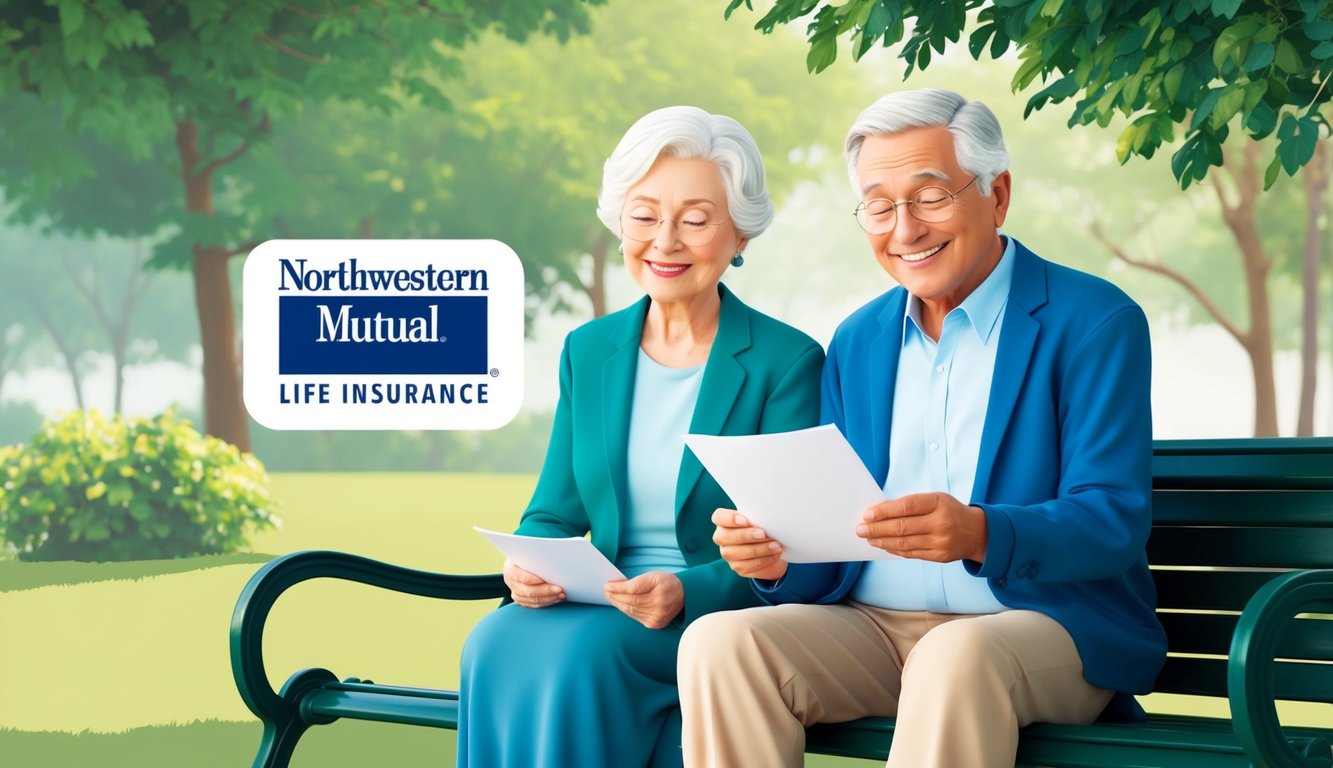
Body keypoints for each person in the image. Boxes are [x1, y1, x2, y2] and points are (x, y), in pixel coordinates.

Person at [676, 88, 1167, 768]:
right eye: (879, 205)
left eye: (929, 196)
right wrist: (778, 558)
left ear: (996, 195)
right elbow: (836, 533)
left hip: (1045, 628)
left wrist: (978, 533)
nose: (903, 229)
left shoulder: (1093, 322)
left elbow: (1112, 518)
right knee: (720, 643)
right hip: (872, 627)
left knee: (953, 654)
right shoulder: (858, 340)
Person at [457, 106, 824, 768]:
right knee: (493, 639)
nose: (665, 241)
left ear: (739, 234)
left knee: (583, 656)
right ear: (619, 223)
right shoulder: (589, 350)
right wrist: (531, 562)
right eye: (645, 215)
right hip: (602, 596)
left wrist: (689, 590)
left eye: (694, 219)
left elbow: (792, 545)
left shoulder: (785, 360)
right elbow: (552, 511)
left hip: (711, 613)